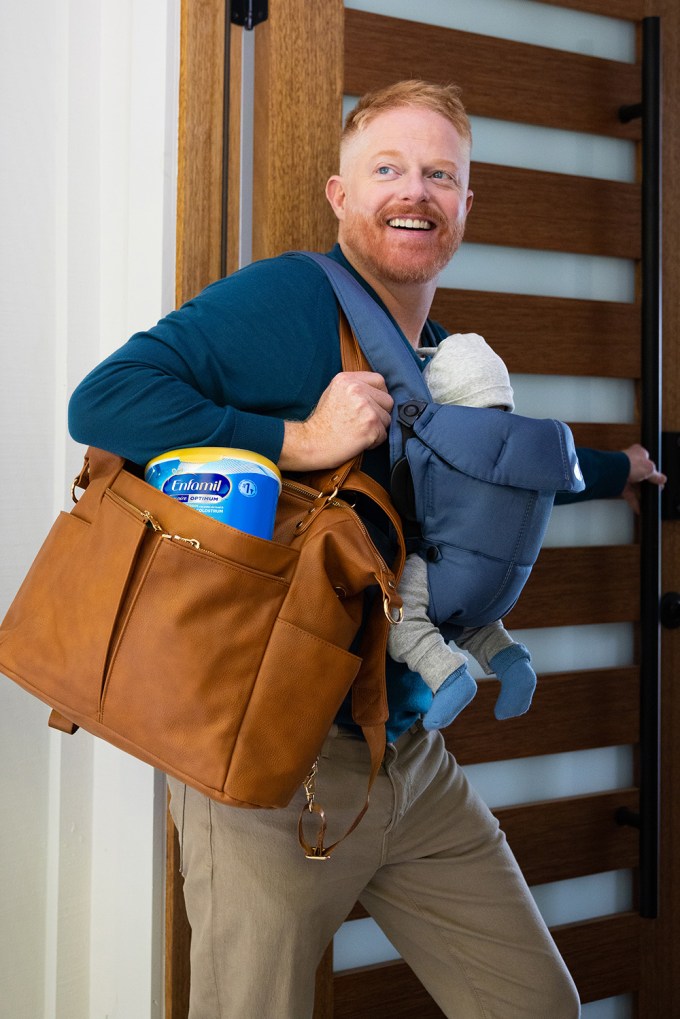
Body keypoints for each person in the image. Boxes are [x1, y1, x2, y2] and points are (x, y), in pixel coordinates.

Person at [68, 79, 665, 1019]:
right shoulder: (291, 297)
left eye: (439, 174)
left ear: (466, 204)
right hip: (270, 764)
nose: (414, 191)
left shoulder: (437, 352)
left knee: (535, 1003)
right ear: (341, 195)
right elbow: (104, 400)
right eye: (387, 169)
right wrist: (300, 439)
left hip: (408, 759)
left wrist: (615, 469)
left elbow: (483, 467)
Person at [387, 331, 538, 731]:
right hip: (495, 579)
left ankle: (449, 677)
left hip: (443, 560)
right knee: (473, 619)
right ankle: (512, 662)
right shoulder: (519, 450)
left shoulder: (442, 448)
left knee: (401, 616)